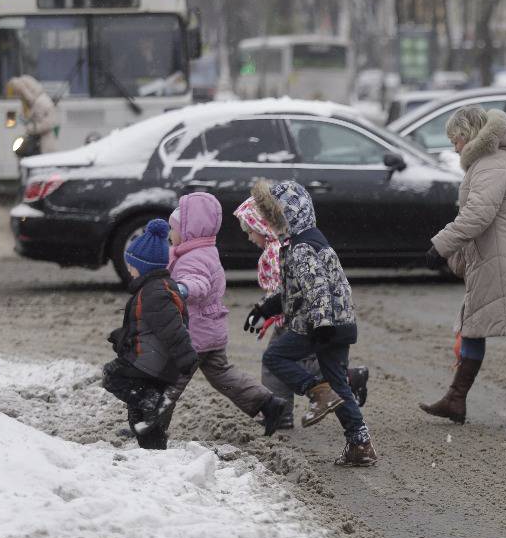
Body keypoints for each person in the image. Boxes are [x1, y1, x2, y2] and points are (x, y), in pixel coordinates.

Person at [420, 106, 506, 428]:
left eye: (455, 140)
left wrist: (441, 246)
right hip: (499, 255)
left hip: (502, 257)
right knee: (474, 326)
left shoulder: (491, 163)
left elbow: (478, 214)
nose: (454, 147)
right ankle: (455, 399)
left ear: (468, 135)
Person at [248, 180, 377, 467]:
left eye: (273, 217)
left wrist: (321, 325)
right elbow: (294, 291)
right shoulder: (305, 241)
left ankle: (316, 391)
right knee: (339, 386)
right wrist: (265, 308)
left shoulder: (302, 247)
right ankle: (360, 443)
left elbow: (318, 288)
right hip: (337, 323)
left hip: (319, 324)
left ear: (288, 215)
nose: (270, 224)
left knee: (275, 356)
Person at [165, 192, 290, 437]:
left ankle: (151, 425)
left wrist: (181, 289)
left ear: (189, 231)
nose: (171, 234)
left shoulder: (193, 259)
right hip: (211, 331)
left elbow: (198, 284)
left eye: (174, 228)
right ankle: (267, 403)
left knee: (169, 381)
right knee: (222, 374)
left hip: (194, 335)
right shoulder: (205, 250)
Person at [102, 219, 197, 449]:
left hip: (152, 364)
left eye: (132, 265)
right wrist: (121, 337)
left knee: (113, 375)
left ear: (144, 267)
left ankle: (149, 400)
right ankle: (153, 449)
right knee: (140, 418)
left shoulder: (154, 293)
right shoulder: (155, 288)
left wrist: (186, 357)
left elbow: (172, 329)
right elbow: (145, 327)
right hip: (153, 361)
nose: (129, 270)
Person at [7, 75, 59, 153]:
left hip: (45, 143)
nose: (20, 97)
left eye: (20, 94)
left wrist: (32, 128)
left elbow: (49, 123)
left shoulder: (41, 102)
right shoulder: (36, 102)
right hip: (38, 142)